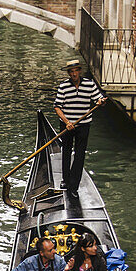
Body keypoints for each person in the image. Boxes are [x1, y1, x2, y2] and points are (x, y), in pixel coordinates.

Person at [54, 57, 105, 199]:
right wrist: (67, 122)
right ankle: (65, 179)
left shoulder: (89, 84)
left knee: (80, 154)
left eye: (75, 71)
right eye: (71, 72)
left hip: (84, 125)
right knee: (66, 151)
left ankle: (73, 185)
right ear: (68, 73)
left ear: (79, 71)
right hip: (67, 125)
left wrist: (100, 101)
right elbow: (57, 107)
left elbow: (98, 99)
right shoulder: (63, 86)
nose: (73, 74)